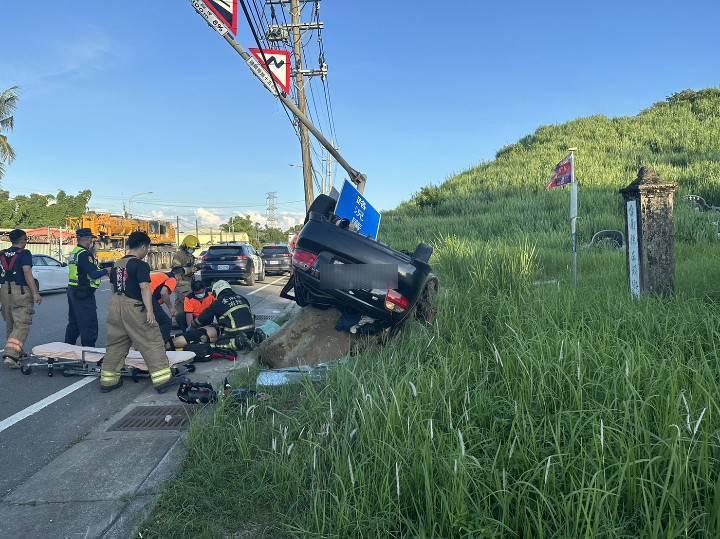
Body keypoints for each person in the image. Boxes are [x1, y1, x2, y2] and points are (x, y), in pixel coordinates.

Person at [100, 231, 179, 393]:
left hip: (115, 305)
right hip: (134, 306)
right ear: (143, 246)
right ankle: (163, 380)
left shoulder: (117, 264)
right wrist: (150, 311)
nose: (147, 252)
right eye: (147, 248)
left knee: (116, 344)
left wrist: (116, 305)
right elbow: (144, 288)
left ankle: (108, 381)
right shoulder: (140, 265)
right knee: (151, 341)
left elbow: (113, 287)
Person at [172, 280, 254, 352]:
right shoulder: (242, 298)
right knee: (182, 318)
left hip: (233, 331)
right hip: (250, 330)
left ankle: (238, 342)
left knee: (217, 344)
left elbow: (204, 317)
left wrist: (193, 326)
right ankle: (254, 338)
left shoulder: (218, 302)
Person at [0, 229, 42, 367]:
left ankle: (17, 351)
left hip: (4, 290)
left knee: (11, 323)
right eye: (26, 239)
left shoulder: (3, 253)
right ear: (22, 239)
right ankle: (11, 355)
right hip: (21, 290)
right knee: (22, 323)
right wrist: (35, 293)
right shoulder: (25, 254)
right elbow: (27, 272)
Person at [64, 228, 109, 347]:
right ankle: (89, 352)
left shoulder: (76, 251)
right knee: (89, 324)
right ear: (88, 239)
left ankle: (68, 348)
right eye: (91, 239)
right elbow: (93, 274)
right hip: (83, 292)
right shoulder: (84, 254)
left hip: (73, 290)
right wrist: (106, 270)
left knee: (74, 323)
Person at [149, 266, 184, 347]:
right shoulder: (172, 279)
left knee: (150, 321)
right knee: (166, 322)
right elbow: (163, 292)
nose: (180, 280)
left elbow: (158, 295)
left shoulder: (161, 275)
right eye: (181, 277)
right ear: (178, 275)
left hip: (138, 296)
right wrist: (171, 308)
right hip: (147, 297)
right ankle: (161, 346)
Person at [171, 235, 200, 326]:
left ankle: (175, 322)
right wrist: (190, 269)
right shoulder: (178, 255)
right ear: (185, 246)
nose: (193, 250)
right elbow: (176, 270)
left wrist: (196, 268)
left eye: (194, 248)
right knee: (189, 301)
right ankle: (193, 322)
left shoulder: (190, 256)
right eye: (191, 248)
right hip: (181, 282)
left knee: (179, 303)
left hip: (189, 282)